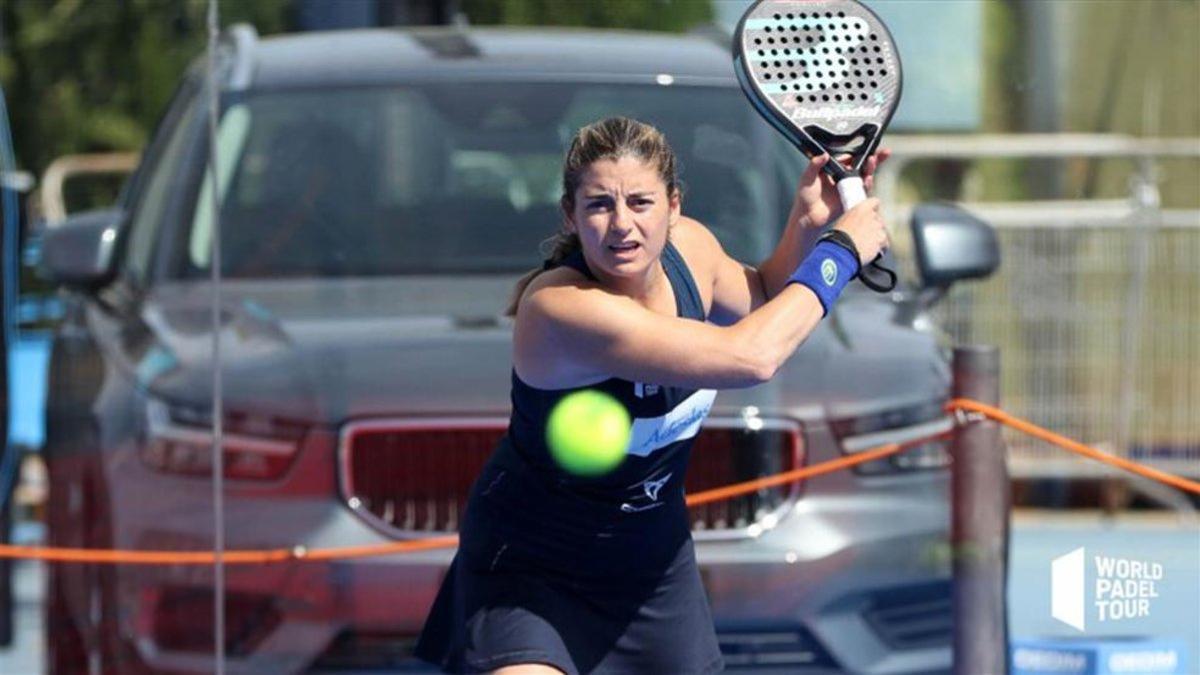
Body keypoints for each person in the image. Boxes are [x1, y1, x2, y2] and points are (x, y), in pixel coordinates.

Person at [415, 116, 889, 674]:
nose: (622, 226)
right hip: (532, 568)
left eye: (641, 202)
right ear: (570, 214)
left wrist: (808, 227)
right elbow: (752, 356)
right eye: (598, 205)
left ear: (674, 206)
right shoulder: (560, 308)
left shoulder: (693, 250)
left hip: (652, 563)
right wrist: (839, 254)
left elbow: (762, 300)